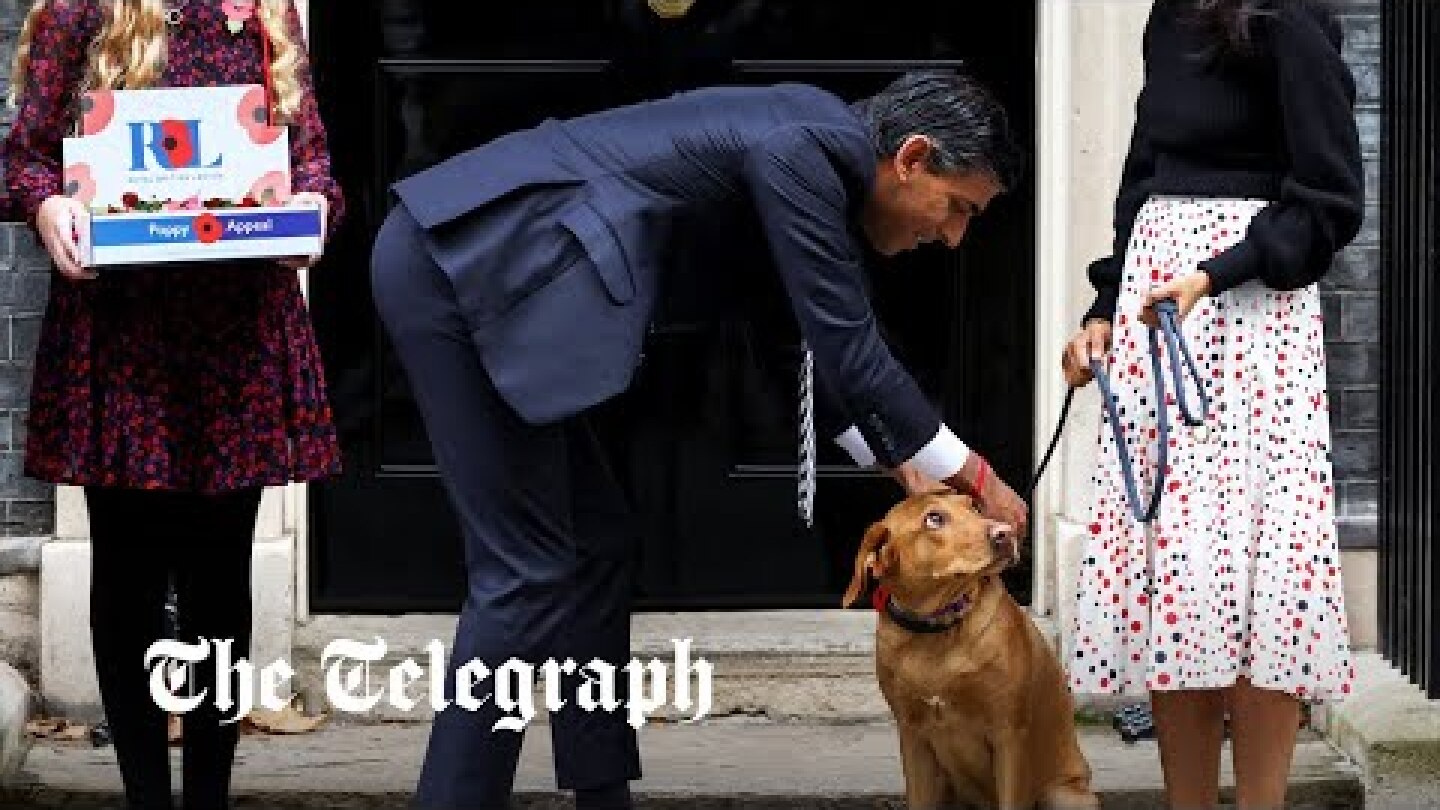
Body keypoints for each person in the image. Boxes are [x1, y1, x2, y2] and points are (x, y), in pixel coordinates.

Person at [370, 69, 1026, 809]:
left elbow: (791, 343)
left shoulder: (810, 157)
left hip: (494, 279)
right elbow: (851, 347)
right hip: (460, 268)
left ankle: (602, 794)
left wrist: (897, 464)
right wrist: (972, 472)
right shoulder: (805, 148)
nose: (953, 236)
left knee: (598, 542)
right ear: (911, 158)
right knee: (525, 570)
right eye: (959, 207)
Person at [3, 1, 344, 807]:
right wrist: (49, 208)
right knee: (126, 575)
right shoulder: (82, 11)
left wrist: (315, 213)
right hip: (122, 337)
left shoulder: (264, 16)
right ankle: (147, 796)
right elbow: (22, 161)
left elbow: (315, 165)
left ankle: (209, 798)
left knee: (220, 579)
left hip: (237, 338)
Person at [1060, 1, 1362, 807]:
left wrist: (1215, 274)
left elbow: (1330, 200)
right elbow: (1143, 174)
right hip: (1159, 313)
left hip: (1254, 321)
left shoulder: (1290, 17)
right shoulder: (1170, 13)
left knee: (1263, 591)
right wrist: (1101, 310)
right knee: (1176, 586)